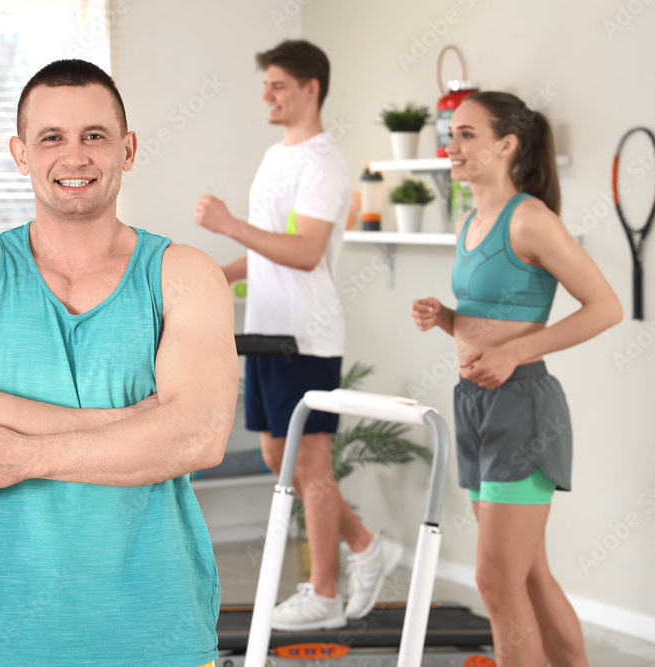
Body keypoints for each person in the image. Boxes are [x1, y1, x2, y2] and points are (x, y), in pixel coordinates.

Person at [0, 59, 237, 667]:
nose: (75, 157)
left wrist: (22, 454)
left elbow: (198, 437)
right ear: (20, 153)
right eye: (51, 138)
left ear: (128, 148)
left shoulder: (184, 275)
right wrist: (134, 423)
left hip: (155, 626)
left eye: (94, 136)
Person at [194, 39, 402, 631]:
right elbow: (269, 252)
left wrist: (229, 225)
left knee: (309, 465)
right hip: (266, 329)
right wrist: (216, 276)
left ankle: (325, 596)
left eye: (279, 85)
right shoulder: (276, 156)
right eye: (266, 85)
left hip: (305, 336)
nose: (267, 95)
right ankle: (367, 547)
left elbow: (307, 253)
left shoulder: (323, 162)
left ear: (312, 89)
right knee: (276, 455)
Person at [411, 91, 622, 666]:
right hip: (474, 406)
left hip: (522, 409)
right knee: (526, 575)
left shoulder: (529, 218)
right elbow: (490, 322)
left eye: (466, 135)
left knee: (495, 583)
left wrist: (516, 354)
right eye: (450, 135)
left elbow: (605, 306)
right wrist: (445, 320)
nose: (451, 147)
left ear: (506, 144)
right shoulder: (471, 221)